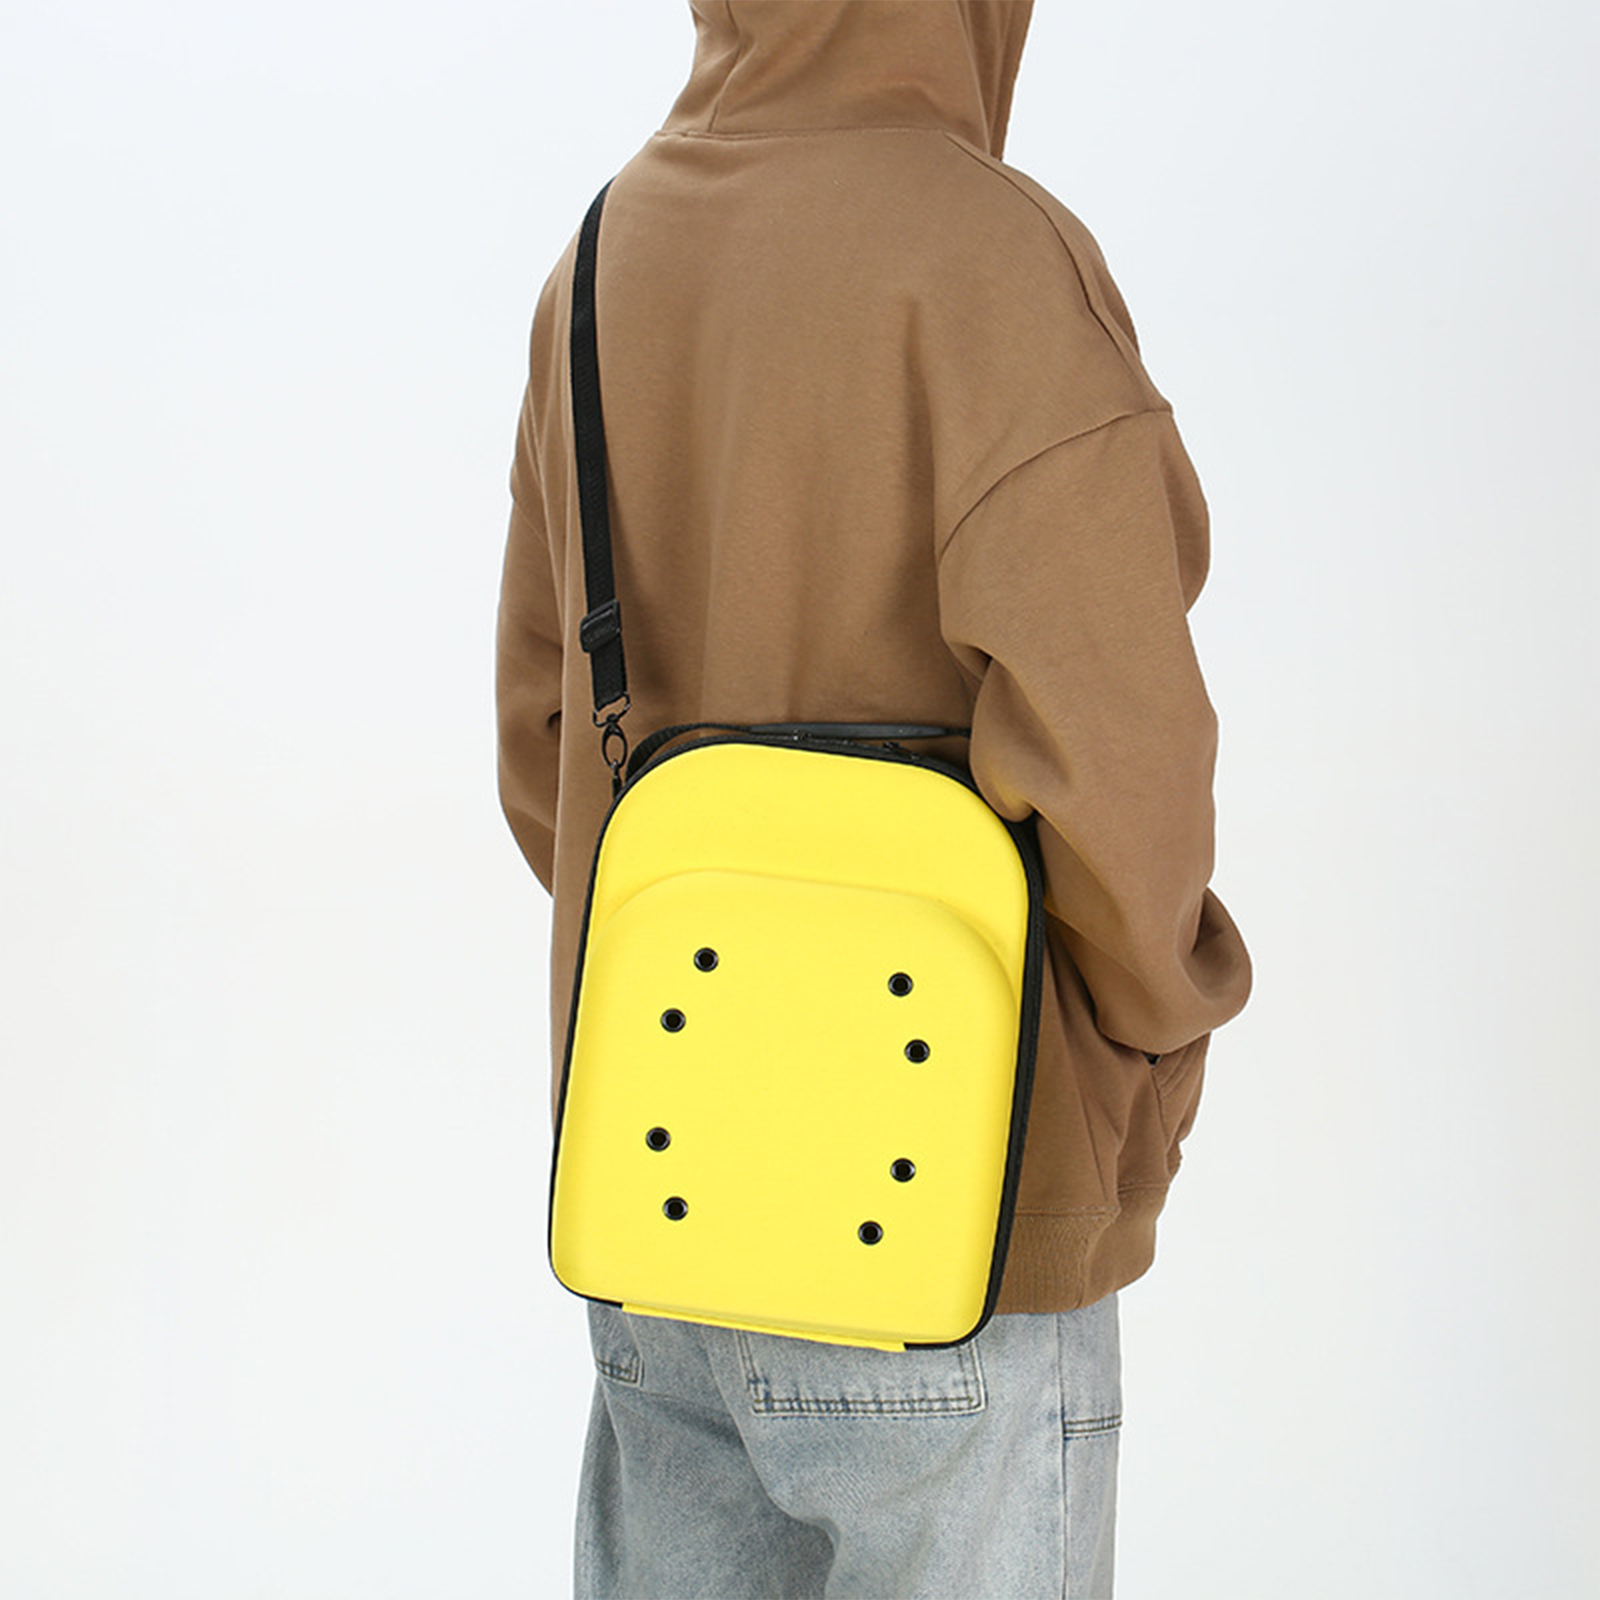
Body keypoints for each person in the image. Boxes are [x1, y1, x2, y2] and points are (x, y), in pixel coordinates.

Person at [495, 2, 1253, 1594]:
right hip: (954, 1219)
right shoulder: (991, 259)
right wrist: (1143, 1066)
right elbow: (1124, 770)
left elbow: (543, 744)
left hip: (660, 1186)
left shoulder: (605, 253)